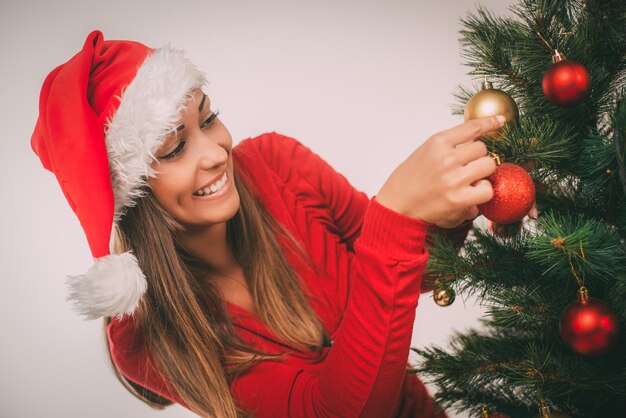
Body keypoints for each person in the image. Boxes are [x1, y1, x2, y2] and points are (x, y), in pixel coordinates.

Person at [31, 30, 502, 418]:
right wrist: (396, 216)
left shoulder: (275, 164)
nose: (217, 153)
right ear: (129, 195)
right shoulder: (144, 336)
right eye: (175, 148)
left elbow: (406, 273)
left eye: (209, 118)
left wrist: (471, 194)